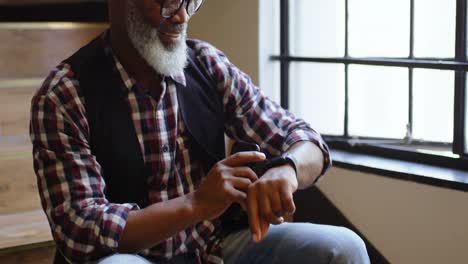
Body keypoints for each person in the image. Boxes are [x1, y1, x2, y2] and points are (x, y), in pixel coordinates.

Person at [29, 0, 370, 263]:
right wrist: (196, 204)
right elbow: (80, 229)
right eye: (166, 2)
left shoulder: (206, 64)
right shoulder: (65, 95)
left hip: (215, 246)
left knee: (343, 248)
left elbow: (308, 141)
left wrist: (288, 168)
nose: (181, 16)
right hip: (134, 256)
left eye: (190, 1)